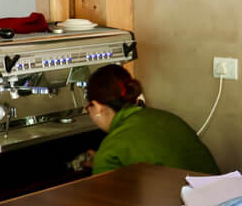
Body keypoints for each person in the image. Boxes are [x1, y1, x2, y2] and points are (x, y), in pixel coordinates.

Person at [83, 64, 219, 176]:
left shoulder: (112, 149)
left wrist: (102, 161)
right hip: (224, 201)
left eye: (88, 107)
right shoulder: (166, 118)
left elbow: (104, 204)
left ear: (98, 107)